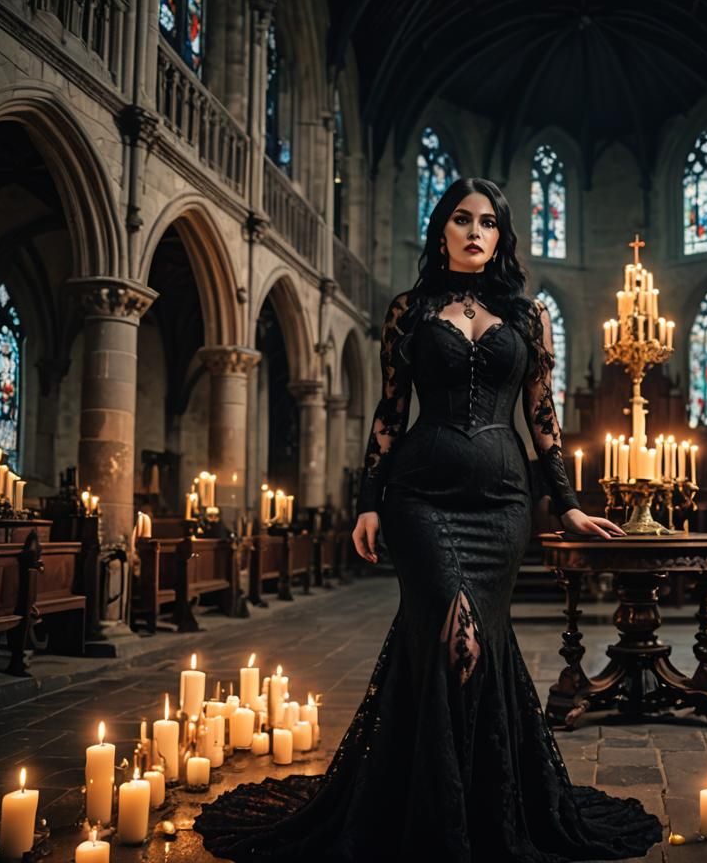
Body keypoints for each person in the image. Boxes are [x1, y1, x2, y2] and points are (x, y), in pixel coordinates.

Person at [194, 178, 663, 861]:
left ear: (501, 237)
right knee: (452, 630)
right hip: (421, 498)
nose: (475, 232)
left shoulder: (531, 317)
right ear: (440, 229)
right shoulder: (408, 311)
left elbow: (543, 419)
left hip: (502, 504)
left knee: (478, 644)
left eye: (489, 223)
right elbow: (389, 414)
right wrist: (368, 501)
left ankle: (480, 804)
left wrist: (566, 503)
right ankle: (434, 813)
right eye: (461, 219)